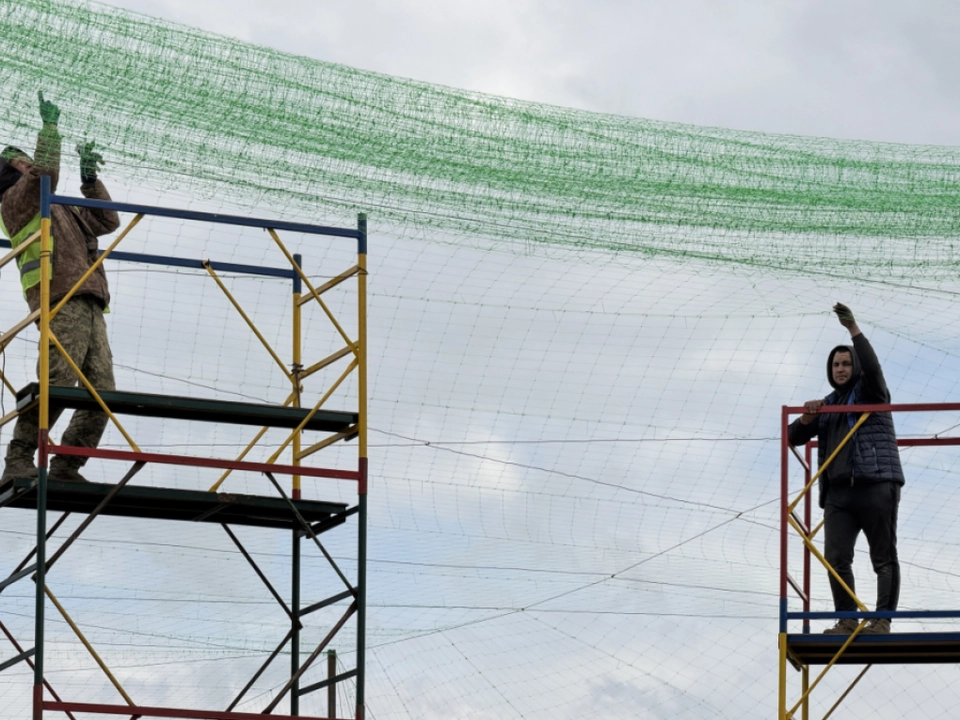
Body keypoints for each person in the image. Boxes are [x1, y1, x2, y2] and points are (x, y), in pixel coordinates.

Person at [0, 92, 119, 484]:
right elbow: (45, 173)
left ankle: (68, 465)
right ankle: (19, 456)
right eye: (22, 160)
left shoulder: (58, 207)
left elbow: (106, 221)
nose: (29, 163)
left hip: (88, 300)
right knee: (57, 383)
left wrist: (90, 180)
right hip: (58, 298)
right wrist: (49, 129)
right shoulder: (16, 202)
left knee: (102, 393)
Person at [788, 303, 904, 635]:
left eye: (846, 362)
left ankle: (881, 621)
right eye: (836, 364)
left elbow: (872, 367)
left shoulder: (871, 390)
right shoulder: (826, 404)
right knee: (836, 557)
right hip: (838, 493)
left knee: (882, 556)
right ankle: (847, 620)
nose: (841, 368)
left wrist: (853, 329)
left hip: (877, 484)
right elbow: (793, 436)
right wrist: (808, 416)